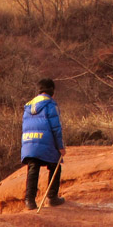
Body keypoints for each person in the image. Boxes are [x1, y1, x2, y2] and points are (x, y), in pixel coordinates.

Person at [20, 78, 66, 209]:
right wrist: (60, 147)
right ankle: (52, 197)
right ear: (52, 91)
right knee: (55, 165)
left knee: (33, 168)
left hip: (29, 142)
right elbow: (56, 128)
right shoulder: (51, 105)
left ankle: (29, 201)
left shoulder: (28, 106)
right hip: (46, 142)